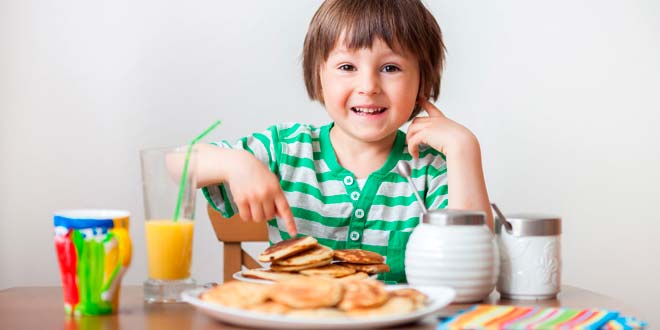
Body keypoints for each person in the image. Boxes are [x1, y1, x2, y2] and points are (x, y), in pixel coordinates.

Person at [180, 0, 492, 283]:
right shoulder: (285, 149)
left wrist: (464, 150)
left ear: (422, 81)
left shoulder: (432, 168)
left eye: (390, 68)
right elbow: (173, 164)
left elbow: (473, 270)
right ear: (318, 77)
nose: (368, 86)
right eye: (347, 67)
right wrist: (237, 163)